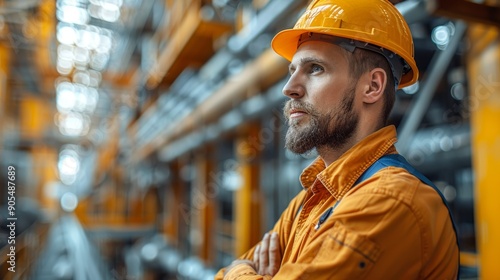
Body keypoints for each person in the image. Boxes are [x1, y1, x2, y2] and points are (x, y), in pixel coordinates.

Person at [215, 0, 459, 279]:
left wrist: (238, 272)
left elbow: (230, 271)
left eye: (315, 68)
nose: (289, 88)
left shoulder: (388, 200)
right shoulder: (312, 197)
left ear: (372, 86)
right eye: (291, 71)